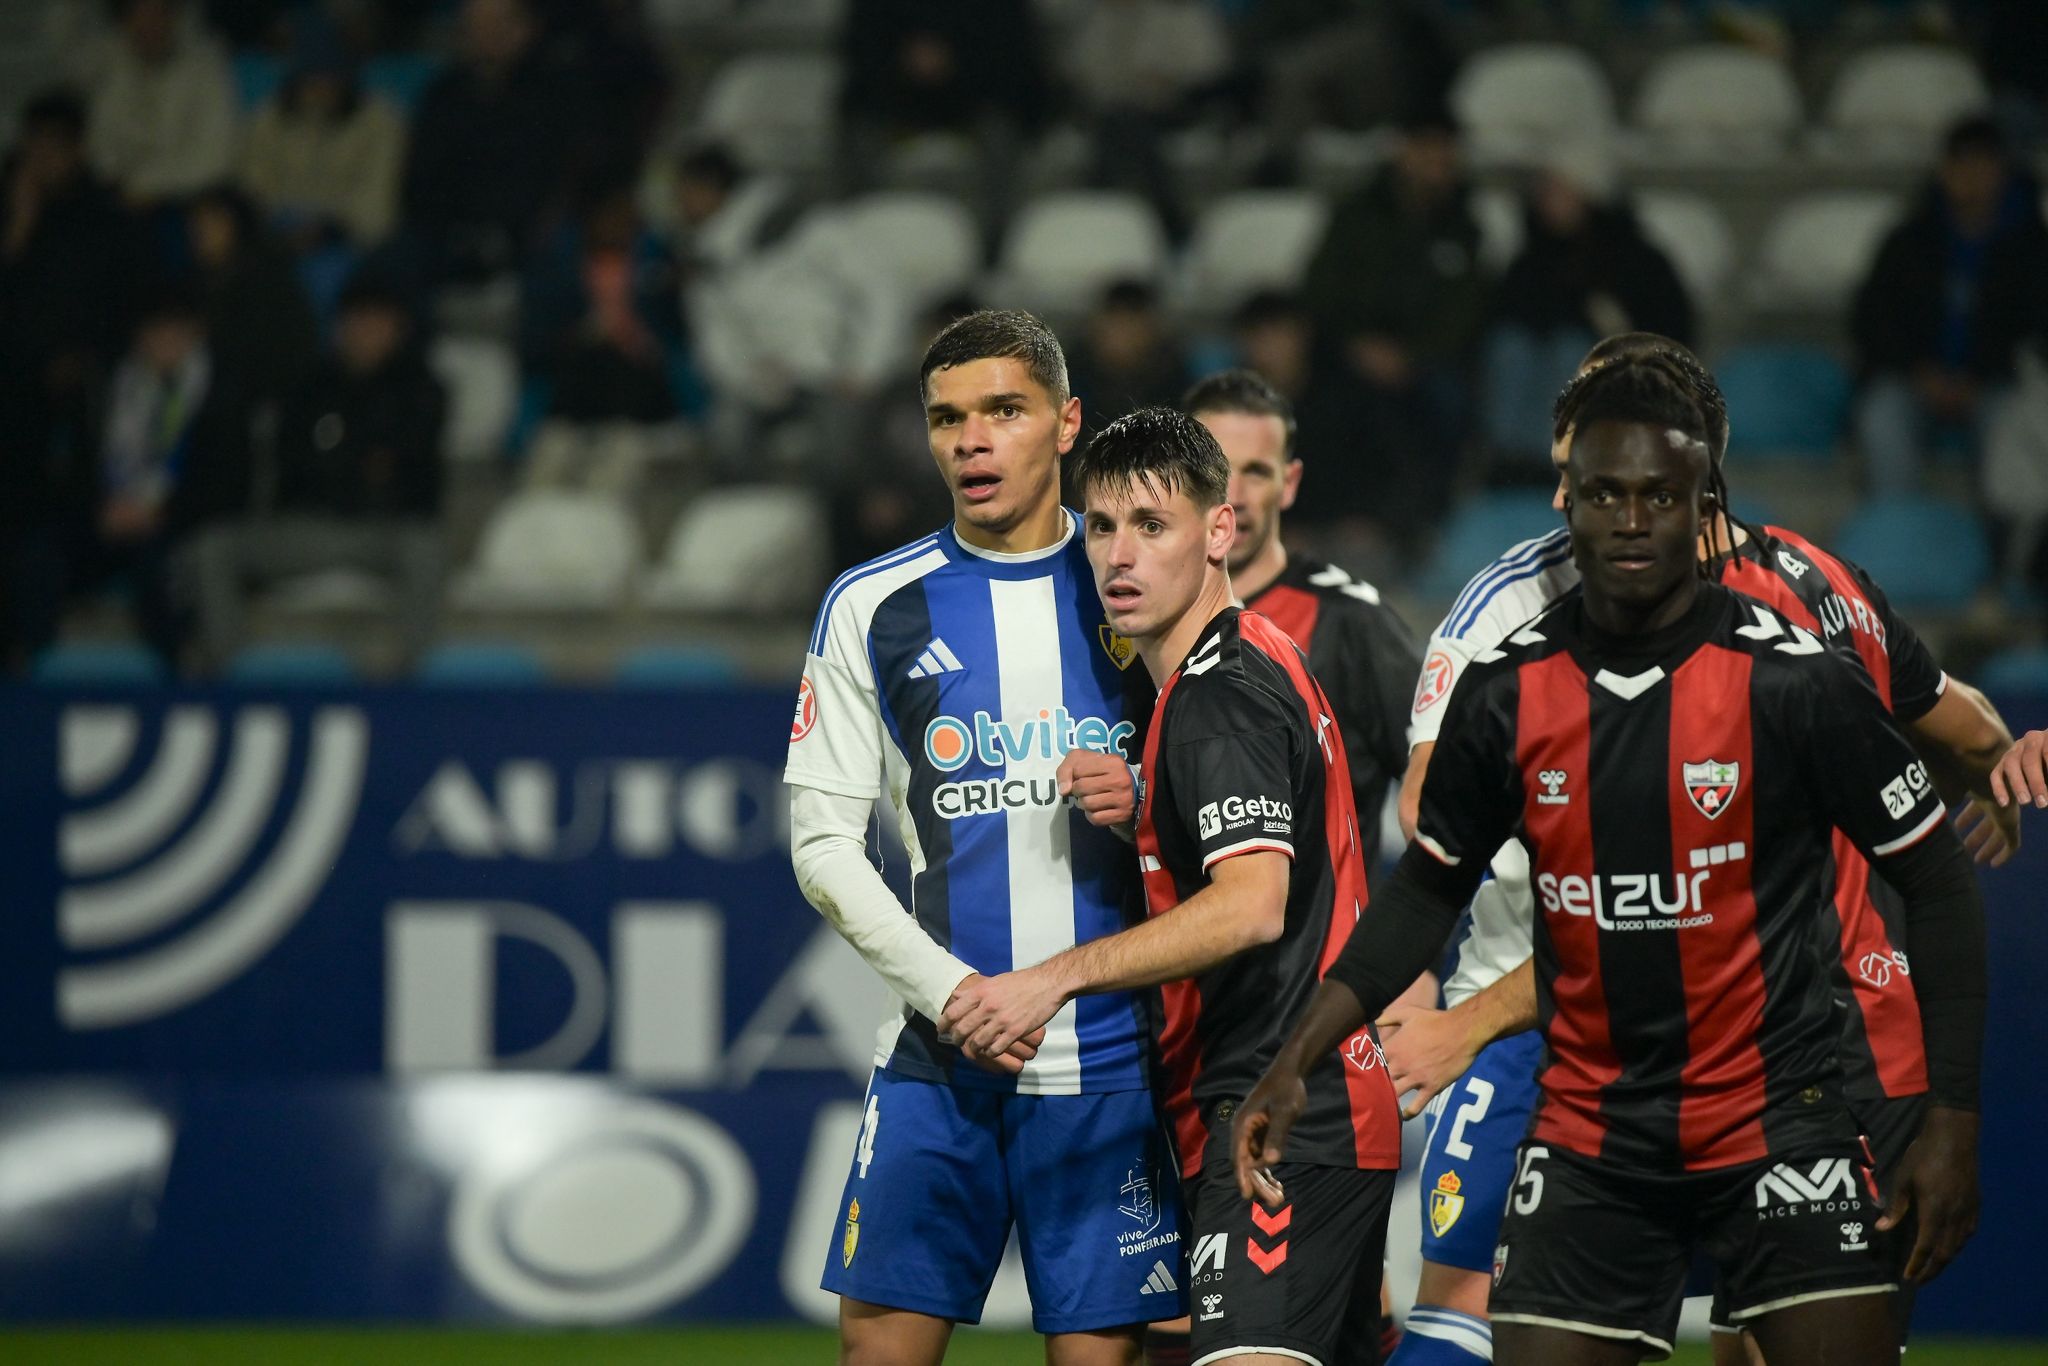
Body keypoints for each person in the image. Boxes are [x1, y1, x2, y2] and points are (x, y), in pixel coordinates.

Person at [1234, 359, 1988, 1365]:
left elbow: (1936, 883)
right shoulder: (1506, 694)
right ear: (1566, 505)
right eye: (1602, 495)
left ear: (1700, 511)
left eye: (1656, 498)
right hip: (1591, 1133)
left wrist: (1952, 1120)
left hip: (1775, 1115)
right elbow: (1422, 892)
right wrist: (1297, 1054)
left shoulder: (1796, 684)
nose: (1628, 521)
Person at [942, 406, 1403, 1366]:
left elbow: (1251, 903)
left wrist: (1052, 977)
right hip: (1300, 1105)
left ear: (1219, 532)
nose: (1119, 555)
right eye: (1102, 526)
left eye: (1153, 527)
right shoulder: (1247, 659)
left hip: (1274, 1108)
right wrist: (1151, 801)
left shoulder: (1212, 697)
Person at [783, 310, 1182, 1366]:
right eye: (947, 418)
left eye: (1003, 410)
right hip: (935, 1060)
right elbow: (821, 843)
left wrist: (1144, 791)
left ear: (1066, 424)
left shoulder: (1137, 591)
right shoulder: (871, 604)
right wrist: (951, 993)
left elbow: (1231, 800)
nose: (971, 439)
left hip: (1109, 1064)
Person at [1187, 368, 1421, 871]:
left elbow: (1446, 795)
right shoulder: (1137, 616)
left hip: (1329, 948)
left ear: (1288, 483)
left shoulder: (1353, 623)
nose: (1236, 495)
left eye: (1257, 471)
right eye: (1217, 468)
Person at [1850, 115, 2048, 495]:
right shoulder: (1908, 242)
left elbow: (2034, 330)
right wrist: (1922, 373)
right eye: (1961, 163)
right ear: (1944, 170)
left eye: (1983, 164)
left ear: (2002, 172)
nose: (1971, 175)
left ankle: (2003, 536)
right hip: (1915, 381)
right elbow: (1872, 320)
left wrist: (1981, 376)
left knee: (2010, 422)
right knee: (1882, 416)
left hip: (1996, 385)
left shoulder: (2032, 249)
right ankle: (1899, 529)